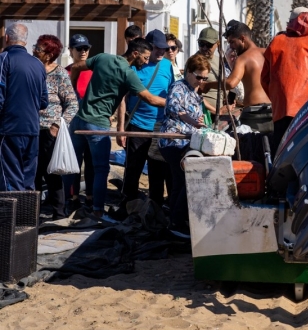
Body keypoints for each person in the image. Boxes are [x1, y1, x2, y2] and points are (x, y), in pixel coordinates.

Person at [69, 38, 165, 217]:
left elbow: (75, 67)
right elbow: (150, 99)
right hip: (98, 125)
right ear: (135, 54)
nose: (146, 61)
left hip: (78, 120)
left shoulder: (102, 57)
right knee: (100, 169)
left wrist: (74, 97)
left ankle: (65, 205)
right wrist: (172, 103)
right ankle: (98, 211)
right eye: (144, 57)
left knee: (70, 165)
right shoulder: (128, 73)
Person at [115, 30, 174, 212]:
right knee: (133, 168)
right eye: (157, 48)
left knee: (158, 170)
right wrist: (120, 128)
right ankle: (127, 206)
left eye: (164, 49)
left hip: (160, 126)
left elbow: (172, 91)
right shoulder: (134, 65)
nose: (161, 52)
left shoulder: (167, 65)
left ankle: (154, 208)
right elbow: (122, 98)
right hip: (138, 124)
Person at [262, 7, 308, 152]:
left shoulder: (277, 41)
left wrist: (277, 99)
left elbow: (265, 79)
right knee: (307, 150)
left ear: (291, 22)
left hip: (282, 110)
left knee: (281, 152)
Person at [158, 54, 210, 234]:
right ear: (188, 72)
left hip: (188, 142)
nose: (201, 81)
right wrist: (192, 121)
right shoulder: (178, 87)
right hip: (173, 142)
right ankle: (177, 222)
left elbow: (193, 115)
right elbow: (175, 109)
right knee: (188, 179)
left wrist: (199, 119)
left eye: (205, 78)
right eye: (198, 77)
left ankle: (176, 220)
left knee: (179, 182)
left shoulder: (195, 92)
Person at [33, 35, 78, 219]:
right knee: (33, 173)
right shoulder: (33, 70)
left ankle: (59, 213)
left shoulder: (59, 73)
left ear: (50, 54)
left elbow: (73, 104)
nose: (35, 49)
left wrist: (57, 125)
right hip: (30, 130)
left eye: (39, 48)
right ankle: (31, 214)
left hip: (49, 132)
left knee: (52, 173)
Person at [0, 24, 48, 192]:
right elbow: (44, 101)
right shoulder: (37, 64)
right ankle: (27, 217)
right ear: (26, 42)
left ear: (6, 38)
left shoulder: (4, 59)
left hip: (9, 129)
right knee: (28, 181)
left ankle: (11, 218)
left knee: (9, 180)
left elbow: (0, 96)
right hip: (33, 129)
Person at [221, 20, 273, 133]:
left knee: (250, 148)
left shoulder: (243, 58)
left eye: (232, 42)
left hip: (253, 115)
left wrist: (208, 85)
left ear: (242, 38)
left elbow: (231, 83)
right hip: (271, 110)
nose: (231, 46)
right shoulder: (267, 53)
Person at [64, 34, 94, 211]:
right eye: (79, 48)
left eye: (86, 48)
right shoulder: (66, 72)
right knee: (73, 161)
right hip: (73, 124)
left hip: (91, 122)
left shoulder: (95, 71)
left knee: (91, 162)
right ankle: (73, 197)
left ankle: (89, 196)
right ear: (71, 51)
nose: (83, 52)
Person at [194, 27, 224, 117]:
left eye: (209, 45)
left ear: (217, 44)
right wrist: (213, 110)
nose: (204, 48)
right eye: (201, 44)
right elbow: (191, 92)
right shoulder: (194, 62)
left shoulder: (220, 61)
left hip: (219, 114)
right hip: (202, 114)